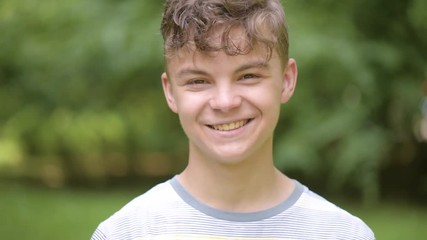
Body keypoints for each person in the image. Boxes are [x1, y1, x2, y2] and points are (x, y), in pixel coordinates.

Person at [91, 0, 375, 239]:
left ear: (286, 81)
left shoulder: (344, 234)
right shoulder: (125, 233)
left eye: (248, 76)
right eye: (199, 81)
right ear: (171, 92)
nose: (225, 102)